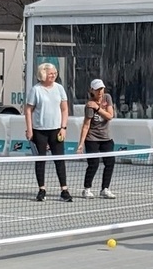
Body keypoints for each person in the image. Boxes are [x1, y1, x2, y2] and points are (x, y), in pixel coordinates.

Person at [24, 62, 71, 202]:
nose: (53, 75)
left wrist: (63, 127)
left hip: (56, 130)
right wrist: (30, 129)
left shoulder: (59, 88)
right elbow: (28, 110)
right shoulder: (36, 90)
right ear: (43, 74)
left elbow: (64, 109)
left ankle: (64, 189)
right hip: (40, 130)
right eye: (50, 73)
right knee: (40, 160)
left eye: (54, 73)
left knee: (59, 160)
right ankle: (42, 189)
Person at [78, 78, 117, 198]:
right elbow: (86, 125)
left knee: (110, 162)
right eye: (97, 90)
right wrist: (81, 144)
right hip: (92, 138)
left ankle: (105, 188)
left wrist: (98, 108)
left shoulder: (107, 98)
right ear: (92, 91)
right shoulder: (89, 105)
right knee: (93, 163)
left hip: (106, 138)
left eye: (101, 89)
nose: (100, 92)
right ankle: (87, 188)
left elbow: (110, 116)